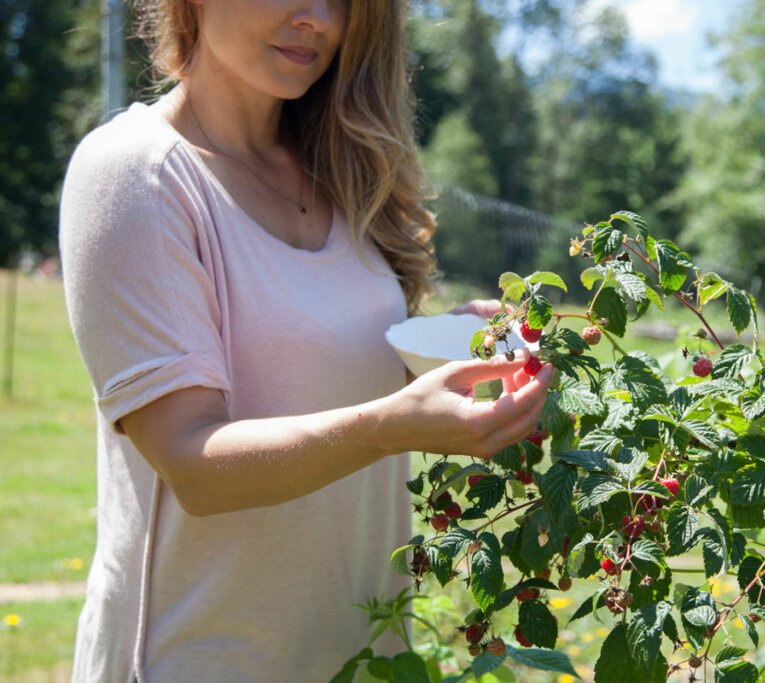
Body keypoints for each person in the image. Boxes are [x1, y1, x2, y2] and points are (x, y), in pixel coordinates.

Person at [58, 1, 554, 680]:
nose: (318, 18)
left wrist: (450, 344)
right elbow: (191, 462)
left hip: (363, 655)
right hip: (204, 658)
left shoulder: (340, 169)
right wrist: (389, 425)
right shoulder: (136, 174)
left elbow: (319, 357)